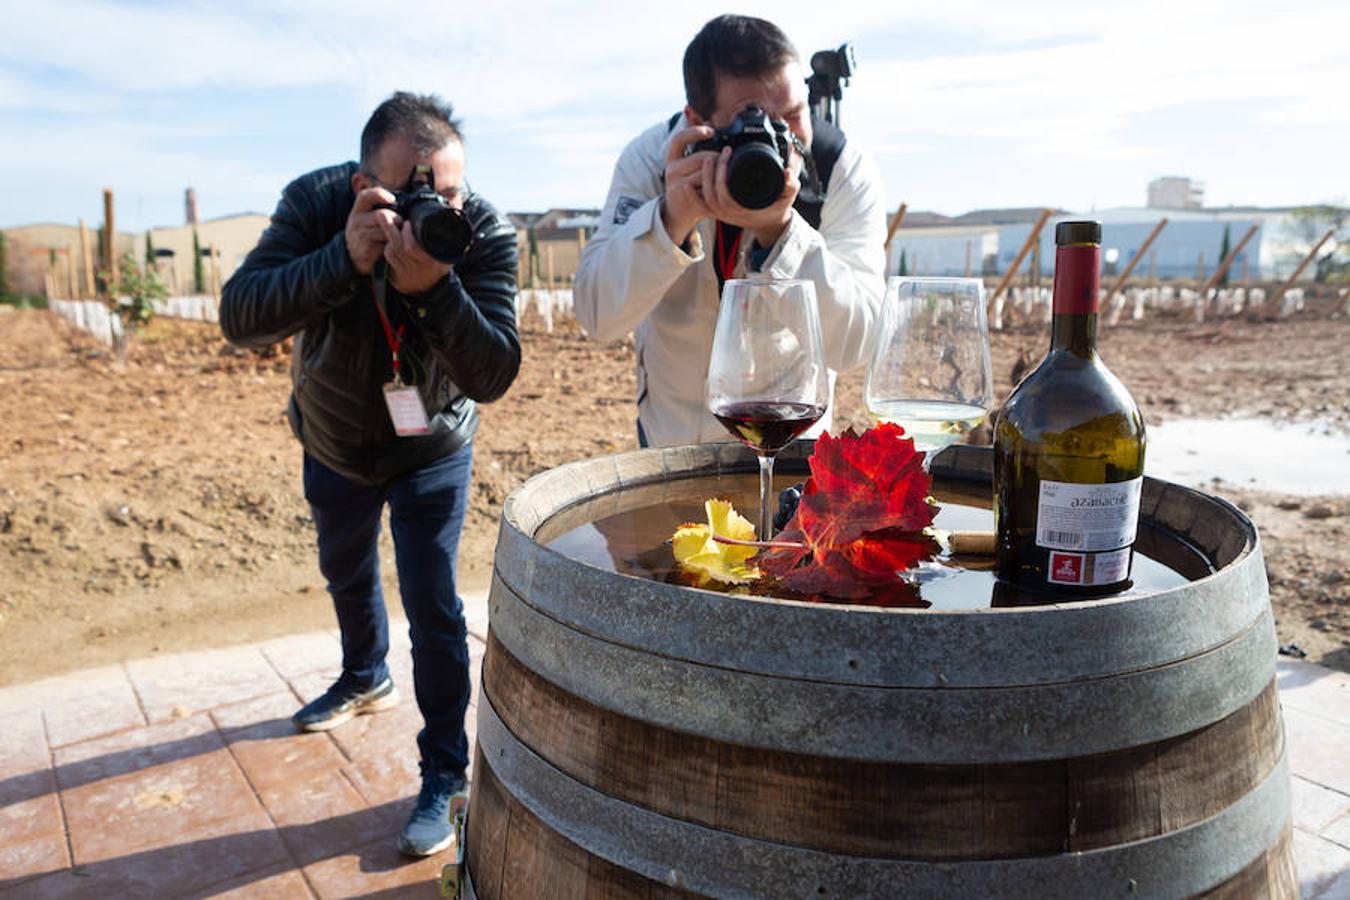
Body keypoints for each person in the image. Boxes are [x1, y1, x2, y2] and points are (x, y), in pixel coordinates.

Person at [219, 92, 520, 857]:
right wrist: (343, 260)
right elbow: (240, 315)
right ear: (362, 186)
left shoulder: (479, 227)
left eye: (447, 194)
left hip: (432, 448)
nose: (435, 212)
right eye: (413, 196)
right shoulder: (317, 203)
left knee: (434, 605)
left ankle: (446, 773)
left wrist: (435, 288)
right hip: (335, 439)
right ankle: (363, 674)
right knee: (345, 570)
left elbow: (493, 371)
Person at [574, 14, 887, 448]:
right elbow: (597, 314)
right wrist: (670, 220)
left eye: (794, 115)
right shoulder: (650, 163)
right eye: (752, 123)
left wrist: (781, 235)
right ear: (696, 121)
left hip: (789, 448)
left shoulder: (839, 170)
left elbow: (858, 343)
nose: (780, 140)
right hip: (672, 451)